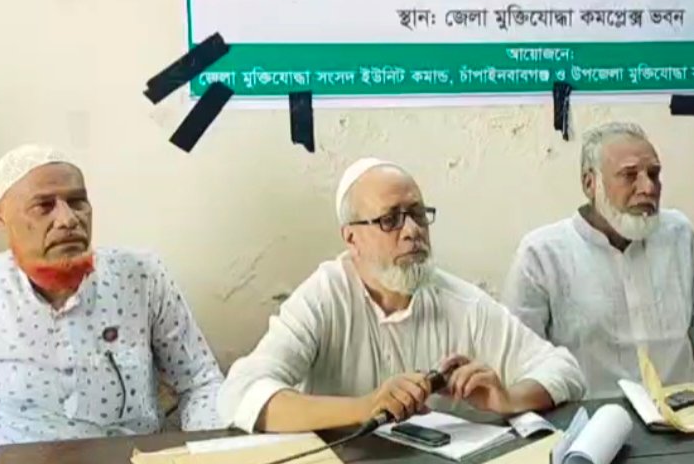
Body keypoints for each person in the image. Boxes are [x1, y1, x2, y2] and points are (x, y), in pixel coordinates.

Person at [217, 159, 585, 433]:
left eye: (418, 214)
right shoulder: (325, 295)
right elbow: (240, 394)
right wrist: (366, 407)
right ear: (351, 238)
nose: (411, 231)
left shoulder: (460, 301)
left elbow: (564, 370)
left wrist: (508, 398)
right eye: (390, 219)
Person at [0, 145, 223, 464]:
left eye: (77, 202)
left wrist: (207, 456)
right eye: (44, 206)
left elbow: (200, 382)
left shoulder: (141, 276)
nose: (68, 220)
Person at [501, 122, 694, 399]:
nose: (648, 188)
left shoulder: (678, 233)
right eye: (629, 175)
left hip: (686, 408)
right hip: (594, 414)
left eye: (654, 174)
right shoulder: (543, 254)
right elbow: (522, 355)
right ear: (590, 183)